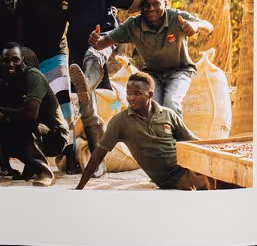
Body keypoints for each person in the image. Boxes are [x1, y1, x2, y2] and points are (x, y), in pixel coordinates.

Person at [90, 0, 212, 116]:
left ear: (165, 3)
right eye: (146, 6)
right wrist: (96, 40)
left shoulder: (176, 18)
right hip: (153, 75)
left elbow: (208, 26)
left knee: (171, 102)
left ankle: (175, 137)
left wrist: (196, 26)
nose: (151, 9)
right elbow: (102, 44)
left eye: (156, 4)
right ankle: (156, 136)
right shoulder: (132, 25)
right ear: (140, 8)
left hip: (180, 71)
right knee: (153, 107)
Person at [75, 72, 213, 191]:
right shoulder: (120, 121)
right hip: (173, 177)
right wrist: (79, 187)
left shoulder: (168, 114)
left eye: (136, 94)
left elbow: (192, 140)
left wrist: (217, 150)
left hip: (188, 166)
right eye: (128, 94)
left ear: (150, 94)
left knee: (224, 173)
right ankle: (87, 104)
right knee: (216, 182)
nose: (131, 98)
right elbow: (98, 154)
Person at [61, 0, 133, 169]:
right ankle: (82, 156)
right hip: (76, 52)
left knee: (94, 57)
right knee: (86, 106)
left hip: (104, 41)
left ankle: (87, 84)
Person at [16, 0, 80, 173]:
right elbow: (19, 21)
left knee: (63, 99)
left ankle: (70, 152)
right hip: (31, 55)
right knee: (33, 105)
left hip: (56, 52)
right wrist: (23, 50)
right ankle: (33, 158)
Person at [0, 43, 69, 186]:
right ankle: (30, 166)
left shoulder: (33, 76)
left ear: (23, 60)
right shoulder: (5, 80)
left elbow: (31, 114)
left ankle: (45, 171)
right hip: (30, 129)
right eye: (6, 61)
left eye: (15, 60)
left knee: (25, 124)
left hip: (54, 135)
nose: (10, 64)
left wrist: (6, 112)